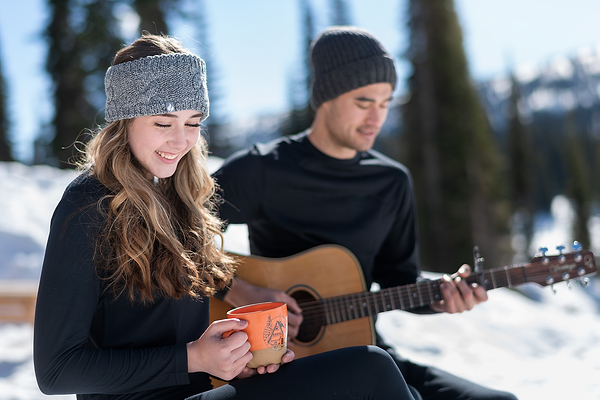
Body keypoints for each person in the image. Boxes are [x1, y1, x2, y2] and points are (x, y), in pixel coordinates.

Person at [33, 33, 418, 400]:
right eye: (164, 123)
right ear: (124, 120)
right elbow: (55, 372)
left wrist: (233, 360)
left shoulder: (176, 195)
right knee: (372, 369)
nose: (181, 141)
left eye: (193, 123)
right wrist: (193, 359)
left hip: (202, 391)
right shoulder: (88, 205)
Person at [213, 26, 518, 400]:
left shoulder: (391, 181)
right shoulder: (262, 169)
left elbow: (397, 280)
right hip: (286, 365)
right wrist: (239, 288)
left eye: (387, 102)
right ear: (326, 96)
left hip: (366, 347)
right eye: (363, 102)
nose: (377, 117)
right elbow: (170, 231)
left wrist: (440, 298)